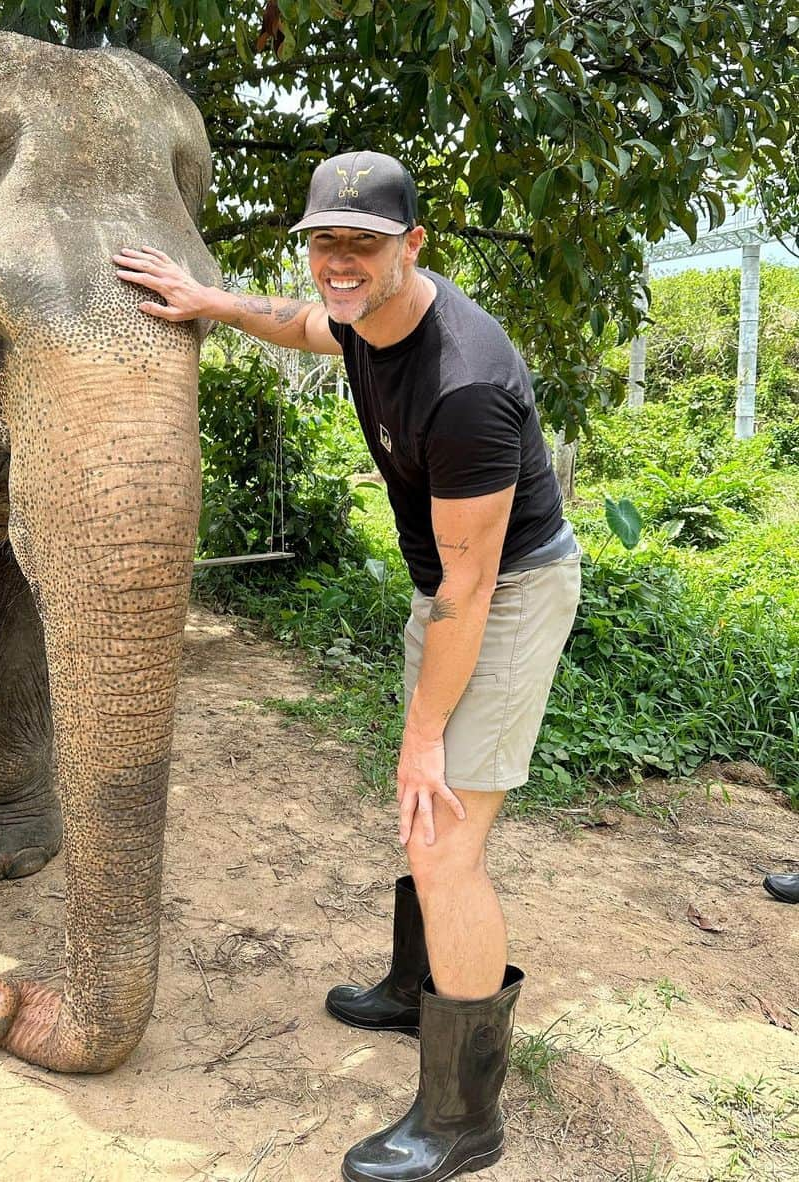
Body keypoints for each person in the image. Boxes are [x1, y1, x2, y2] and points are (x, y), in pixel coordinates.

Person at [115, 150, 581, 1182]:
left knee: (447, 835)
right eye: (326, 241)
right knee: (426, 818)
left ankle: (465, 1122)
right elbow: (303, 323)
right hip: (454, 591)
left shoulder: (465, 386)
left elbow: (472, 588)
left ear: (412, 246)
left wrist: (423, 739)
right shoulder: (370, 315)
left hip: (504, 596)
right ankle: (420, 993)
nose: (340, 262)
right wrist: (205, 300)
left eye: (364, 244)